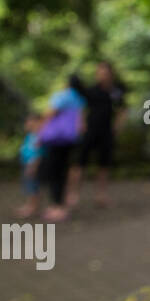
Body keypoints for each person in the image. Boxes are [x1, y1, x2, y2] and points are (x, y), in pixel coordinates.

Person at [69, 60, 126, 209]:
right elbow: (81, 108)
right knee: (79, 163)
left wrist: (117, 127)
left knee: (104, 165)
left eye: (105, 73)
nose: (102, 76)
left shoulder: (116, 91)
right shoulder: (91, 90)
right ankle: (73, 194)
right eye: (99, 73)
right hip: (90, 131)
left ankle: (101, 195)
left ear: (111, 74)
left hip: (106, 132)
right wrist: (80, 124)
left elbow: (122, 110)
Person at [37, 74, 87, 223]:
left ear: (67, 84)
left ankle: (57, 207)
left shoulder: (62, 96)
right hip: (70, 140)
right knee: (63, 172)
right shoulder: (80, 99)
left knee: (55, 173)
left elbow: (49, 114)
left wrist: (40, 133)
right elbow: (81, 124)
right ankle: (60, 206)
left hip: (56, 140)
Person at [13, 113, 44, 218]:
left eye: (29, 121)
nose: (26, 124)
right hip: (26, 164)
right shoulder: (30, 136)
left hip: (33, 165)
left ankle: (32, 208)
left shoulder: (40, 136)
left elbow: (39, 153)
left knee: (33, 186)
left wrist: (34, 165)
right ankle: (29, 205)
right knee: (29, 186)